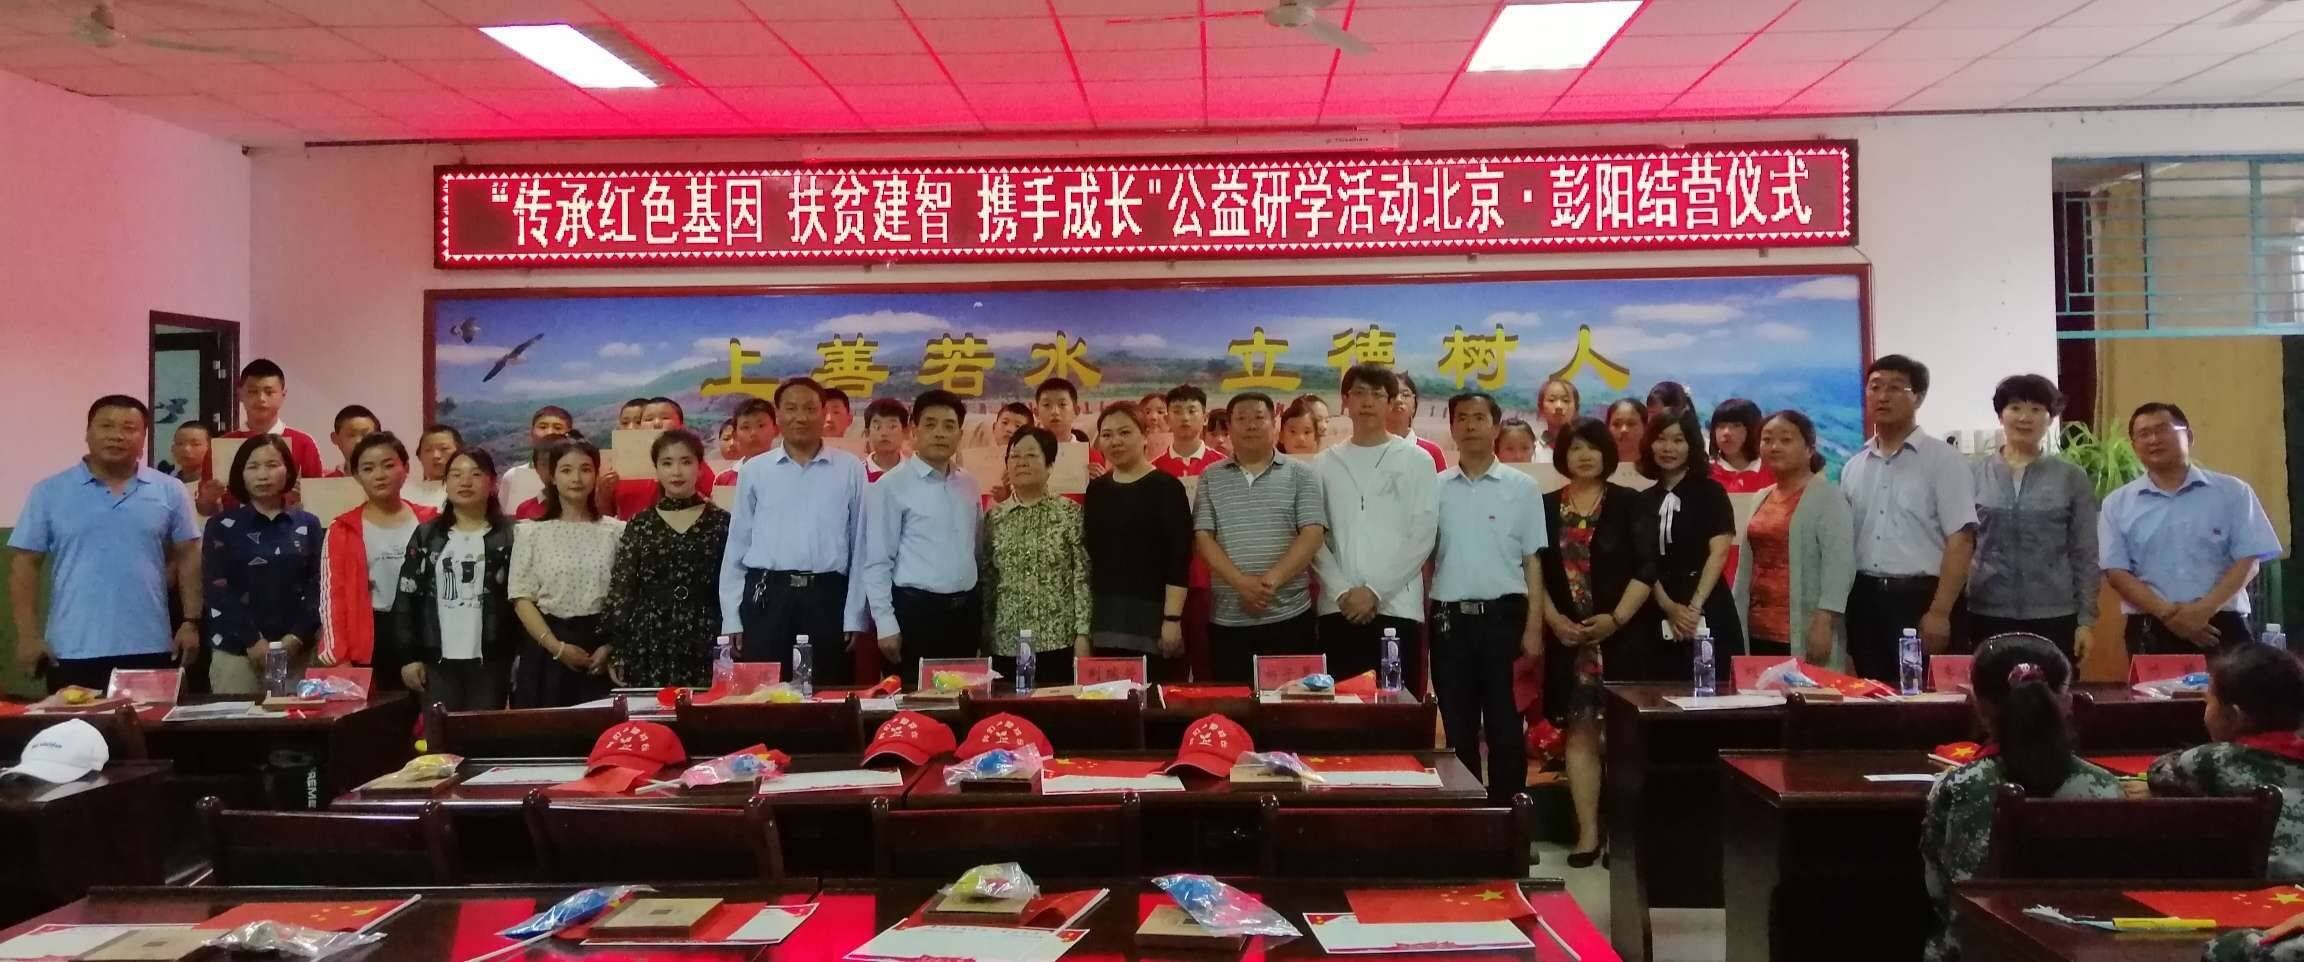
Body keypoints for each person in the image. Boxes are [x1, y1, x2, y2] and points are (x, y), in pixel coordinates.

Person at [1921, 634, 2121, 962]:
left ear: (1979, 704)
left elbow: (1938, 890)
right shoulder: (2104, 786)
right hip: (2079, 950)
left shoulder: (1960, 784)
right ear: (2067, 703)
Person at [11, 396, 202, 693]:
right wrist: (27, 635)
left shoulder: (169, 490)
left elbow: (189, 556)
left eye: (129, 428)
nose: (117, 435)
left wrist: (190, 621)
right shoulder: (49, 492)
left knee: (150, 724)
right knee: (76, 724)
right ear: (87, 433)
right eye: (106, 426)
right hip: (71, 649)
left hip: (151, 646)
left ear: (144, 438)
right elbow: (26, 563)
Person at [1538, 417, 1655, 866]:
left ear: (1607, 453)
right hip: (1570, 640)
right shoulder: (1545, 506)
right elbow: (1533, 570)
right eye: (1575, 448)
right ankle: (1587, 833)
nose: (1584, 456)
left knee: (1624, 739)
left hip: (1621, 636)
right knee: (1581, 732)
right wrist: (1554, 621)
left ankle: (1621, 836)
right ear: (1562, 455)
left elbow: (1647, 568)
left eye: (1592, 447)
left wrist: (1616, 618)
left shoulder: (1629, 502)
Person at [1432, 392, 1545, 805]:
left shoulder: (1523, 487)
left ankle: (1509, 820)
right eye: (1461, 418)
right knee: (1457, 730)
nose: (1470, 425)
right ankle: (1467, 821)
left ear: (1496, 427)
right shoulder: (1435, 488)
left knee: (1505, 729)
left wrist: (1534, 628)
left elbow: (1533, 561)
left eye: (1479, 418)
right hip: (1449, 622)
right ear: (1452, 428)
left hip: (1505, 621)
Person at [2102, 402, 2284, 654]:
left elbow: (2249, 561)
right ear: (2134, 446)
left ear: (2188, 435)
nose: (2153, 439)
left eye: (2162, 429)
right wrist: (2169, 615)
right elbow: (2116, 572)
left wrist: (2202, 611)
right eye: (2143, 434)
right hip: (2150, 626)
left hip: (2220, 623)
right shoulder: (2116, 504)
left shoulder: (2233, 492)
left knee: (2233, 682)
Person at [719, 377, 868, 684]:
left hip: (827, 597)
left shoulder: (850, 468)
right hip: (768, 596)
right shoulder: (755, 471)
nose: (800, 417)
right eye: (791, 408)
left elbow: (861, 545)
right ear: (778, 415)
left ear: (824, 413)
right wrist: (732, 616)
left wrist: (854, 613)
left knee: (827, 693)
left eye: (810, 408)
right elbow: (737, 545)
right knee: (764, 695)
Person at [1842, 354, 1977, 680]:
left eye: (1894, 388)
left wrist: (1940, 612)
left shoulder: (1944, 461)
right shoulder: (1854, 465)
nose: (1882, 396)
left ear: (1918, 396)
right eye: (1875, 387)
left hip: (1921, 599)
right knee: (1871, 695)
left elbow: (1961, 540)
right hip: (1864, 599)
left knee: (1925, 697)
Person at [1313, 364, 1441, 682]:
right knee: (1339, 704)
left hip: (1398, 607)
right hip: (1338, 607)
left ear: (1391, 402)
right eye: (1359, 393)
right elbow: (1313, 537)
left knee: (1396, 703)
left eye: (1377, 394)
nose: (1367, 402)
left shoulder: (1416, 460)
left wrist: (1374, 591)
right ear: (1345, 400)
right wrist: (1341, 591)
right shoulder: (1323, 464)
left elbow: (1423, 534)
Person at [1196, 393, 1329, 682]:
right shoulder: (1210, 476)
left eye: (1259, 417)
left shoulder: (1301, 474)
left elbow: (1312, 532)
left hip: (1289, 615)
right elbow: (1204, 536)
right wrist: (1241, 583)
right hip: (1228, 618)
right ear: (1230, 427)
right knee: (1232, 704)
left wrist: (1269, 583)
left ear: (1274, 424)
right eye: (1241, 419)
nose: (1251, 425)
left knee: (1291, 703)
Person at [1967, 375, 2099, 662]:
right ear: (2001, 415)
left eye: (2036, 409)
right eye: (2015, 408)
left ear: (2050, 418)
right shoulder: (1972, 474)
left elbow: (2085, 552)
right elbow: (1961, 545)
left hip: (2056, 613)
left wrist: (2086, 621)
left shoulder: (2070, 477)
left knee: (2053, 688)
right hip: (1985, 611)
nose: (2025, 418)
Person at [2143, 644, 2304, 876]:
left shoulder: (2213, 759)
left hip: (2269, 880)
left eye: (2209, 701)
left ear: (2234, 716)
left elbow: (2158, 772)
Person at [861, 391, 982, 679]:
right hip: (915, 614)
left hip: (965, 613)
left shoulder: (969, 484)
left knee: (964, 696)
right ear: (913, 431)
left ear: (960, 434)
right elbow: (877, 561)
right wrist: (886, 624)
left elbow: (976, 549)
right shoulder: (891, 486)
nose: (939, 433)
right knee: (915, 700)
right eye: (930, 424)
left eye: (949, 426)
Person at [394, 448, 517, 712]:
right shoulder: (427, 535)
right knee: (440, 733)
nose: (465, 481)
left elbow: (522, 599)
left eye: (476, 474)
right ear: (445, 483)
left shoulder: (512, 534)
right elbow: (406, 596)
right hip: (436, 657)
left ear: (492, 483)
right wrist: (408, 657)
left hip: (494, 657)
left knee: (486, 730)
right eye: (456, 474)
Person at [604, 430, 729, 689]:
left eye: (686, 462)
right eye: (667, 463)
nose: (677, 472)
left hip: (708, 632)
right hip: (650, 636)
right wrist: (618, 648)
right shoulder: (641, 524)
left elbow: (733, 583)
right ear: (657, 470)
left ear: (700, 467)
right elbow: (623, 589)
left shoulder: (721, 521)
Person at [200, 435, 322, 695]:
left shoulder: (308, 524)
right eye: (253, 467)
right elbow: (218, 589)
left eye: (272, 465)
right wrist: (252, 641)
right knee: (240, 720)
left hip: (298, 650)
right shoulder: (221, 526)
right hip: (237, 651)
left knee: (300, 719)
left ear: (288, 471)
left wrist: (296, 637)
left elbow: (318, 584)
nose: (263, 475)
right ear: (240, 474)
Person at [509, 438, 624, 707]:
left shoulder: (617, 532)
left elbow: (625, 596)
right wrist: (556, 648)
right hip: (546, 645)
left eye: (585, 469)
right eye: (566, 470)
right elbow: (521, 597)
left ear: (596, 474)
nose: (576, 478)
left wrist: (610, 647)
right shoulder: (530, 532)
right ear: (552, 476)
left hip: (599, 647)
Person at [316, 432, 437, 686]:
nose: (379, 475)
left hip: (425, 632)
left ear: (406, 468)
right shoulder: (342, 529)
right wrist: (339, 657)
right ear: (356, 475)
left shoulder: (431, 522)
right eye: (368, 468)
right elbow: (332, 597)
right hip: (371, 637)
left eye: (388, 465)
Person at [1736, 410, 1855, 665]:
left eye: (1786, 440)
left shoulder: (1828, 498)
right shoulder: (1761, 496)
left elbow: (1840, 565)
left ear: (1809, 449)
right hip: (1757, 625)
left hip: (1805, 628)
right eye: (1767, 439)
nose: (1775, 447)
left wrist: (1825, 620)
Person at [1084, 402, 1192, 681]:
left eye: (1125, 432)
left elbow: (1179, 558)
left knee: (1155, 698)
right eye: (1107, 435)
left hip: (1154, 621)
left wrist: (1172, 619)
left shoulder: (1167, 488)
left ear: (1145, 436)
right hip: (1106, 620)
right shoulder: (1096, 491)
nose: (1115, 441)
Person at [1637, 407, 1745, 678]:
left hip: (1706, 601)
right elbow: (1643, 560)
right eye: (1660, 439)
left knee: (1711, 687)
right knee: (1658, 689)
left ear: (1691, 445)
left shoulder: (1711, 492)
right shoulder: (1642, 500)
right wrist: (1668, 606)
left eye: (1678, 440)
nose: (1668, 448)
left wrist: (1693, 609)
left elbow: (1718, 554)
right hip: (1657, 605)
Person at [982, 427, 1091, 685]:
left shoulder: (1069, 514)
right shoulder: (994, 518)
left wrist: (1083, 635)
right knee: (1012, 705)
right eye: (1015, 456)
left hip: (1057, 639)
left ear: (1050, 465)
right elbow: (988, 580)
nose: (1021, 462)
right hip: (1007, 641)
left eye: (1031, 455)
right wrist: (984, 636)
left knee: (1054, 705)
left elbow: (1082, 577)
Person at [604, 397, 712, 520]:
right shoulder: (621, 467)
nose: (656, 423)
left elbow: (711, 499)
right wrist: (603, 492)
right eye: (648, 419)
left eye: (665, 418)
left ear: (681, 425)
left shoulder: (693, 464)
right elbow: (607, 513)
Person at [218, 358, 325, 479]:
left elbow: (316, 490)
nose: (261, 398)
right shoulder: (221, 447)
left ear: (283, 395)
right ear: (240, 394)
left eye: (269, 392)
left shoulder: (304, 443)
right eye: (253, 392)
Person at [499, 405, 573, 511]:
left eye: (557, 428)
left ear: (569, 435)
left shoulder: (581, 476)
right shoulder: (513, 476)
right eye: (543, 427)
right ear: (532, 433)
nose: (549, 432)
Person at [1154, 385, 1226, 477]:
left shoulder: (1224, 466)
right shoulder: (1153, 469)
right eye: (1177, 411)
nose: (1185, 418)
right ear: (1167, 419)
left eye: (1192, 411)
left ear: (1205, 418)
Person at [1707, 398, 1773, 494]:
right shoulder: (1705, 472)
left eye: (1736, 425)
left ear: (1754, 429)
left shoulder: (1773, 470)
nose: (1726, 432)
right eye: (1721, 426)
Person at [1386, 373, 1448, 471]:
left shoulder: (1431, 452)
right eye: (1392, 395)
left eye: (1405, 395)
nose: (1398, 400)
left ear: (1414, 406)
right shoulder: (1369, 448)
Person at [716, 397, 777, 488]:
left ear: (776, 430)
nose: (753, 433)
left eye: (761, 425)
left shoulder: (789, 472)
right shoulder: (724, 480)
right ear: (735, 435)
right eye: (746, 427)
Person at [403, 424, 462, 511]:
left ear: (460, 453)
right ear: (419, 456)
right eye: (428, 450)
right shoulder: (404, 493)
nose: (435, 456)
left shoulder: (467, 490)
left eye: (444, 449)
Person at [325, 405, 381, 477]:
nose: (359, 441)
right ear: (336, 439)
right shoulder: (325, 481)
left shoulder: (392, 478)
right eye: (352, 435)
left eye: (366, 435)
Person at [862, 398, 909, 482]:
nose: (884, 433)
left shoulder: (916, 472)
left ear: (905, 432)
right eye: (877, 427)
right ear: (867, 433)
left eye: (892, 426)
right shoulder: (857, 473)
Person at [1034, 377, 1091, 443]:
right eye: (1046, 405)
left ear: (1076, 411)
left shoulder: (1087, 450)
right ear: (1037, 413)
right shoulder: (1026, 449)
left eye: (1062, 404)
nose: (1055, 411)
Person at [1535, 376, 1580, 452]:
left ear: (1576, 408)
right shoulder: (1532, 451)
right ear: (1540, 407)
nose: (1559, 406)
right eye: (1551, 400)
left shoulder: (1586, 449)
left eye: (1566, 400)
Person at [1604, 398, 1646, 465]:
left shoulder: (1657, 465)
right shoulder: (1599, 466)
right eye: (1616, 424)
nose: (1623, 430)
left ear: (1645, 427)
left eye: (1631, 424)